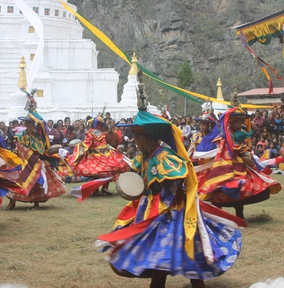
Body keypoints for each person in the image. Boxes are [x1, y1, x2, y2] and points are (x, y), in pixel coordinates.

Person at [99, 109, 244, 288]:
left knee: (181, 251)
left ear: (146, 137)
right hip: (151, 209)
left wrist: (159, 187)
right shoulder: (145, 156)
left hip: (172, 211)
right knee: (161, 252)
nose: (134, 139)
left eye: (136, 135)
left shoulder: (164, 157)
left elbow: (178, 177)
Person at [197, 107, 282, 219]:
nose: (239, 124)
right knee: (219, 186)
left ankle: (239, 214)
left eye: (240, 121)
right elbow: (224, 148)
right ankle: (217, 215)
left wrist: (248, 156)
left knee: (243, 187)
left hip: (240, 165)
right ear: (231, 122)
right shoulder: (225, 135)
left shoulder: (240, 134)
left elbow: (245, 149)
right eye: (237, 121)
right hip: (225, 164)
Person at [5, 111, 65, 210]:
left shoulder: (38, 136)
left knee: (38, 183)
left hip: (37, 162)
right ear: (25, 124)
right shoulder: (20, 136)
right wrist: (30, 157)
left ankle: (36, 203)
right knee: (14, 180)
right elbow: (20, 148)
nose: (30, 126)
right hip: (23, 161)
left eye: (32, 124)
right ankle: (12, 202)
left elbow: (42, 148)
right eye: (28, 124)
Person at [68, 116, 130, 197]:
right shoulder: (98, 133)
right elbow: (97, 144)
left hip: (98, 156)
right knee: (108, 170)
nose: (100, 126)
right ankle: (102, 188)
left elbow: (87, 144)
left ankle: (101, 189)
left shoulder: (91, 133)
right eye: (99, 124)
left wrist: (79, 147)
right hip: (103, 155)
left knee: (97, 172)